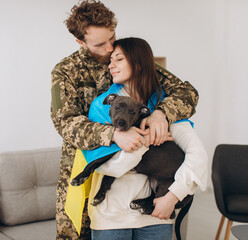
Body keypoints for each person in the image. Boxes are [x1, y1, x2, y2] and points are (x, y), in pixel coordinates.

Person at [50, 1, 199, 239]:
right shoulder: (66, 72)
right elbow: (64, 122)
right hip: (89, 170)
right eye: (100, 44)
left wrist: (162, 113)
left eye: (112, 38)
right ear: (80, 42)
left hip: (142, 179)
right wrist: (113, 134)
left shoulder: (128, 58)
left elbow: (187, 93)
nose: (110, 49)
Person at [85, 37, 208, 240]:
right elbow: (102, 166)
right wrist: (143, 142)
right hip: (111, 216)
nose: (110, 65)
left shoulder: (167, 106)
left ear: (138, 63)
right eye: (110, 60)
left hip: (156, 214)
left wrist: (173, 196)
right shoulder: (103, 105)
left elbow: (198, 156)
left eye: (118, 59)